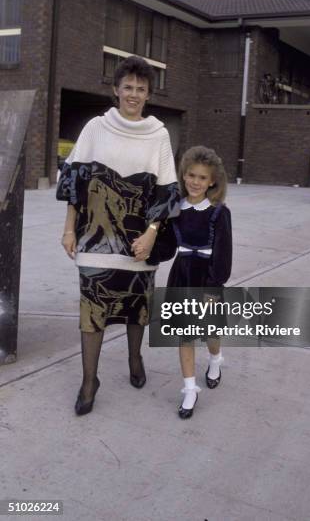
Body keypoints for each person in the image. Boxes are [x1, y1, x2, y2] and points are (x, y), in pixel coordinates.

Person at [56, 55, 179, 415]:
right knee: (91, 310)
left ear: (148, 94)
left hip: (139, 242)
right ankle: (89, 381)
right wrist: (68, 228)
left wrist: (153, 235)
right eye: (128, 87)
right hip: (94, 239)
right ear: (115, 89)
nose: (134, 94)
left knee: (137, 307)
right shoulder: (96, 127)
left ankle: (134, 359)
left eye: (141, 89)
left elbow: (168, 191)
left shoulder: (158, 134)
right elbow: (75, 180)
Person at [167, 146, 232, 419]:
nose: (195, 182)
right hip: (181, 275)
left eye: (202, 178)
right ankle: (190, 389)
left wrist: (212, 288)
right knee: (185, 336)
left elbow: (224, 255)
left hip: (206, 276)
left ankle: (215, 360)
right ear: (183, 176)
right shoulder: (175, 209)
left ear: (212, 181)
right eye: (191, 175)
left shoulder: (218, 212)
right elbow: (167, 247)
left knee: (209, 334)